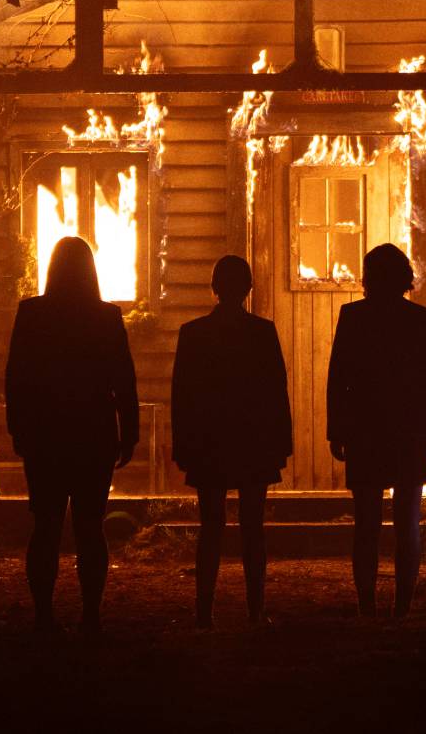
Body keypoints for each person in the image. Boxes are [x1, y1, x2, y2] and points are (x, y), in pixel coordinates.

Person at [5, 236, 139, 634]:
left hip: (45, 434)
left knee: (45, 525)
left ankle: (44, 613)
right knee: (90, 526)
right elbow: (124, 381)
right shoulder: (106, 317)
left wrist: (18, 428)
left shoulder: (31, 314)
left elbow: (16, 377)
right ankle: (91, 613)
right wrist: (128, 434)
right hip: (93, 434)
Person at [170, 254, 291, 628]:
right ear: (248, 288)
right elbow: (276, 391)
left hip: (209, 444)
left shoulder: (193, 334)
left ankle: (203, 610)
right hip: (253, 443)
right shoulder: (262, 332)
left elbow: (182, 396)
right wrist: (281, 444)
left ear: (214, 288)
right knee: (253, 528)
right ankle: (255, 610)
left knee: (211, 527)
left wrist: (183, 446)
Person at [325, 243, 426, 619]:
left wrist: (337, 429)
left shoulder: (353, 317)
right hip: (410, 432)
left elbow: (337, 378)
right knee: (408, 520)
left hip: (365, 431)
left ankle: (366, 603)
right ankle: (402, 606)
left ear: (369, 278)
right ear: (405, 277)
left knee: (367, 524)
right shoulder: (423, 320)